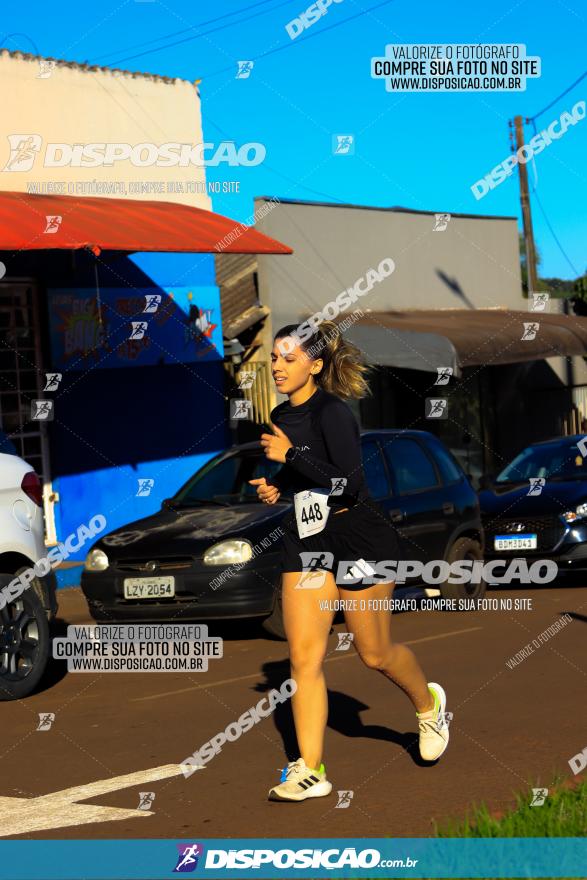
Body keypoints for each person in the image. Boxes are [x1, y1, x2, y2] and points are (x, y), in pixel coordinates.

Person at [249, 321, 450, 802]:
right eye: (274, 358)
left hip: (359, 538)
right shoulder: (280, 414)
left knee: (373, 653)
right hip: (308, 540)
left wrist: (291, 455)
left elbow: (349, 485)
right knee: (304, 658)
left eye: (288, 358)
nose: (277, 366)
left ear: (314, 365)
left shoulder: (334, 413)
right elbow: (307, 479)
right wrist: (280, 484)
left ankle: (429, 706)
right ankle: (310, 770)